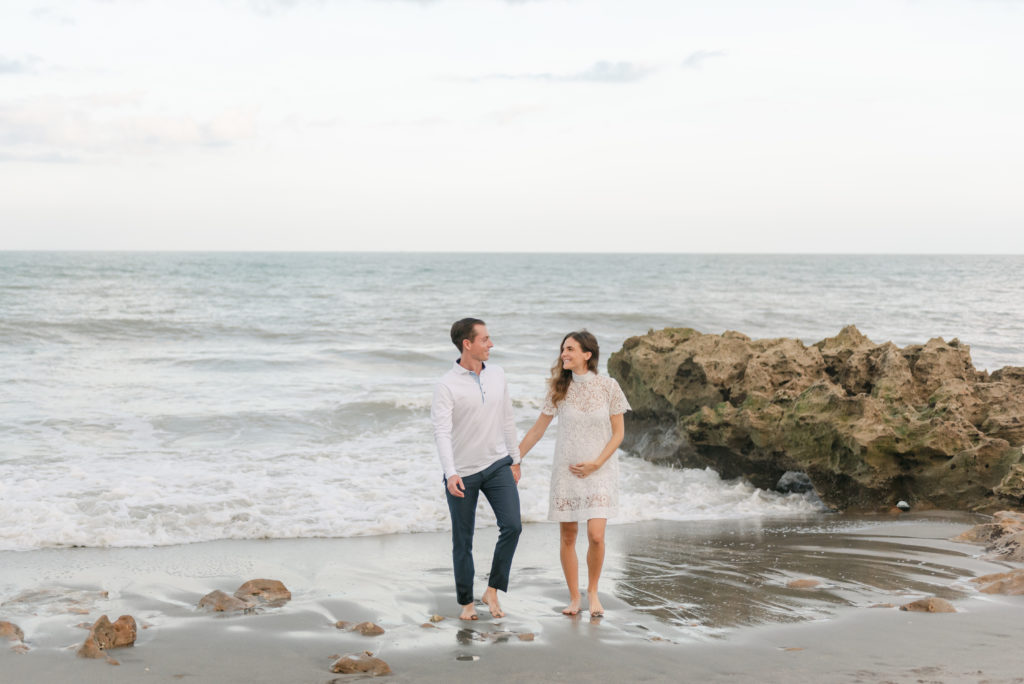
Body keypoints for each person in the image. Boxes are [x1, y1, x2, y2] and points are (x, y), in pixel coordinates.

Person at [518, 331, 629, 617]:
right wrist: (513, 459)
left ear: (587, 354)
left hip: (600, 470)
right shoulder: (559, 389)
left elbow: (618, 434)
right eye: (563, 349)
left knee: (595, 535)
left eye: (570, 349)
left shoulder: (609, 387)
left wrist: (596, 463)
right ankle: (574, 597)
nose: (564, 354)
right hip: (566, 472)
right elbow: (537, 430)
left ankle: (592, 591)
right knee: (568, 535)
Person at [431, 318, 522, 620]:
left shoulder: (497, 374)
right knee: (463, 540)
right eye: (485, 339)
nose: (491, 344)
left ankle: (493, 589)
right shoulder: (446, 385)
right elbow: (442, 432)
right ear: (467, 344)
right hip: (462, 473)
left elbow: (507, 418)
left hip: (497, 464)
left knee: (512, 525)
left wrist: (516, 458)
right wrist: (451, 472)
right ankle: (466, 603)